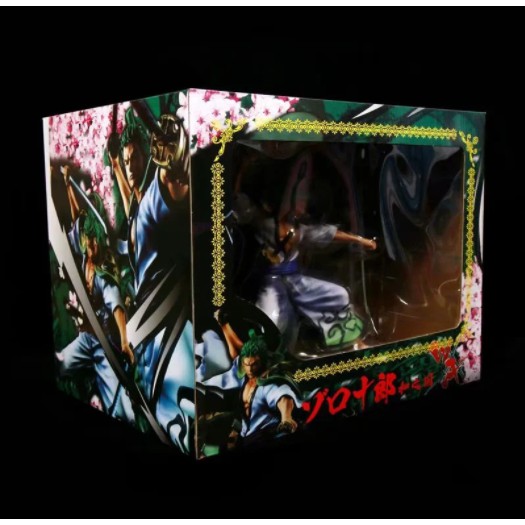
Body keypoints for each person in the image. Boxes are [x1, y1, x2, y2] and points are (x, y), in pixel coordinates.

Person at [108, 109, 193, 450]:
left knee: (172, 407)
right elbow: (132, 204)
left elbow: (175, 182)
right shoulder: (138, 204)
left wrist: (175, 159)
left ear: (149, 157)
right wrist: (116, 165)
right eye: (128, 161)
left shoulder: (159, 194)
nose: (131, 166)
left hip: (167, 313)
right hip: (147, 315)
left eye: (136, 159)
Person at [56, 165, 134, 422]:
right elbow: (77, 218)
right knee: (60, 365)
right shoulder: (84, 258)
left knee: (122, 412)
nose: (90, 245)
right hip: (85, 339)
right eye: (87, 239)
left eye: (93, 240)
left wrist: (124, 342)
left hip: (104, 344)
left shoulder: (103, 271)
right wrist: (68, 184)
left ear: (99, 238)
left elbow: (116, 307)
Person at [197, 313, 301, 450]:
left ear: (262, 362)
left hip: (267, 436)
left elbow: (283, 397)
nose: (250, 369)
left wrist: (286, 418)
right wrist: (224, 325)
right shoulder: (244, 373)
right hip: (248, 436)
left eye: (254, 364)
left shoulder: (268, 383)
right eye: (247, 364)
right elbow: (237, 353)